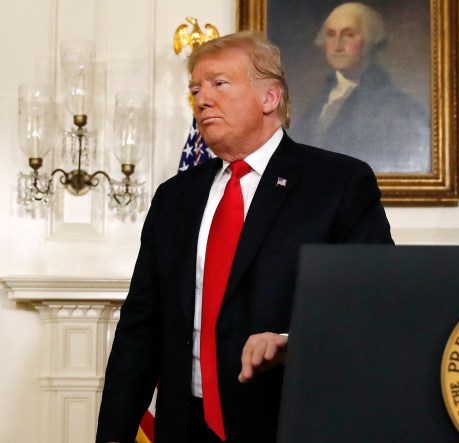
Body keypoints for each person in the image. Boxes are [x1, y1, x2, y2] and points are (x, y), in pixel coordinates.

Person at [96, 31, 393, 442]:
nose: (202, 99)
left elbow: (372, 304)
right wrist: (113, 434)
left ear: (269, 98)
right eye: (195, 88)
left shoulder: (338, 183)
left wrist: (291, 341)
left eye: (219, 84)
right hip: (185, 427)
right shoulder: (175, 197)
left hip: (286, 423)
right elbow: (141, 327)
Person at [291, 2, 431, 173]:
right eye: (331, 35)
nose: (337, 45)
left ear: (370, 41)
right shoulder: (317, 107)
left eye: (348, 35)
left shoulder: (397, 107)